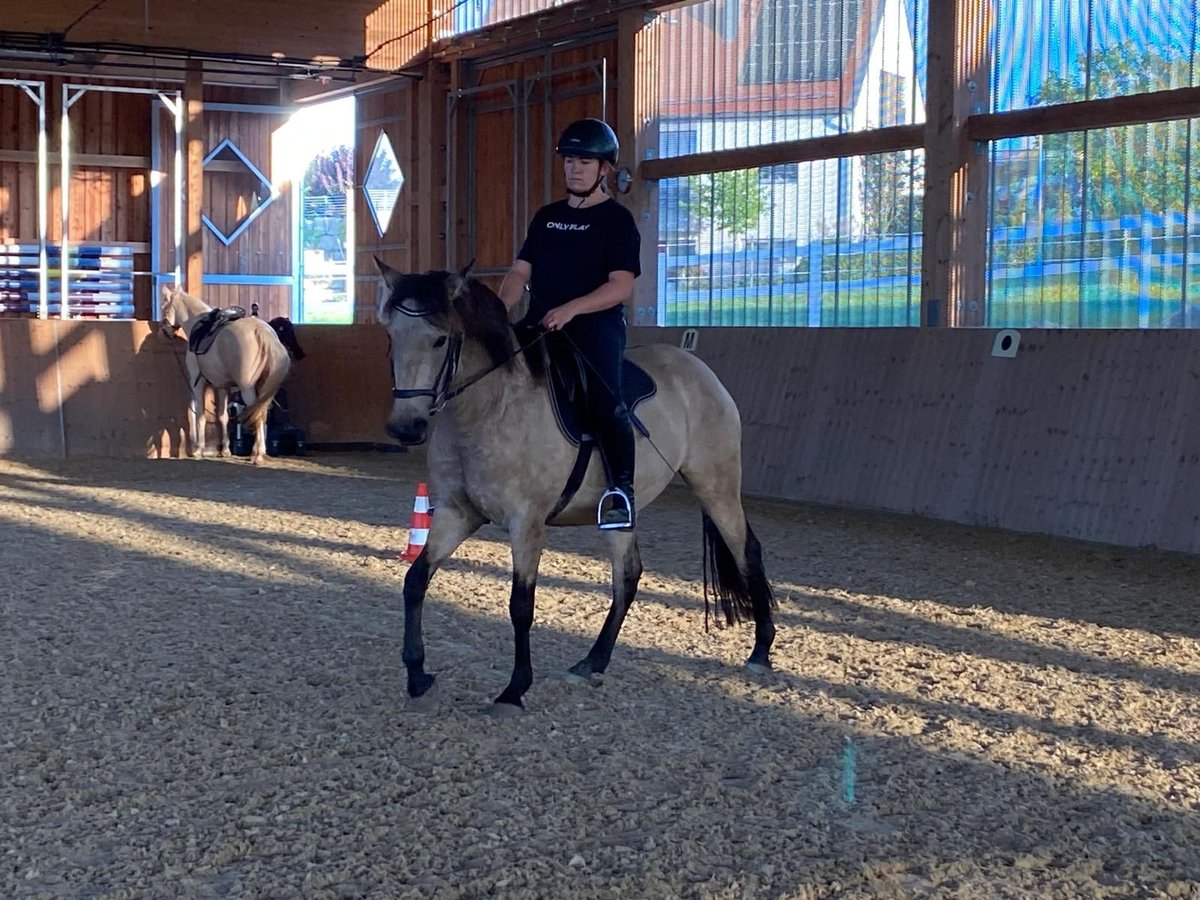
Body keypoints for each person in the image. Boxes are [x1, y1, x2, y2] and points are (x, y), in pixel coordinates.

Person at [498, 118, 641, 530]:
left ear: (604, 169)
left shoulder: (617, 221)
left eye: (584, 161)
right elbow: (518, 273)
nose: (574, 168)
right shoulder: (547, 217)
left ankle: (620, 492)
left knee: (606, 401)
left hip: (593, 327)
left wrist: (572, 309)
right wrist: (499, 309)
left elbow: (620, 287)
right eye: (569, 161)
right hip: (540, 322)